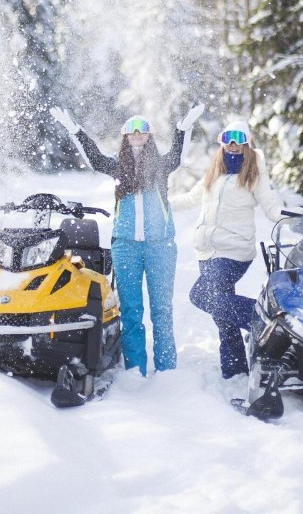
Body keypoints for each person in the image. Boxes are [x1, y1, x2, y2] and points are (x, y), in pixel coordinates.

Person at [51, 103, 203, 375]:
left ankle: (167, 370)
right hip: (126, 247)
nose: (136, 134)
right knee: (131, 313)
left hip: (160, 246)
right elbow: (94, 159)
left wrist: (183, 128)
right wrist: (75, 129)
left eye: (142, 130)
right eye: (131, 130)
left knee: (161, 311)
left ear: (149, 135)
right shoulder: (117, 167)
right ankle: (136, 370)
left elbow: (178, 156)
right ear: (124, 136)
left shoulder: (160, 165)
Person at [170, 122, 284, 379]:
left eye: (238, 138)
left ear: (246, 142)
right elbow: (191, 199)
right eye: (227, 138)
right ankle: (234, 370)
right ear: (222, 142)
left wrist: (288, 216)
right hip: (207, 251)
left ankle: (265, 321)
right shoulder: (215, 170)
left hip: (234, 251)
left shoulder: (255, 172)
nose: (232, 143)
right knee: (223, 311)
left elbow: (271, 204)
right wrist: (163, 205)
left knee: (200, 295)